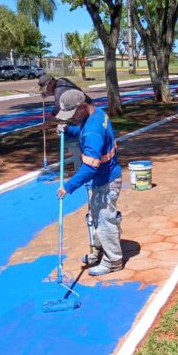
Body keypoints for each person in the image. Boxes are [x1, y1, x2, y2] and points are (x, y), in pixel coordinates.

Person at [55, 89, 124, 276]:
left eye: (73, 114)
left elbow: (90, 167)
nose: (72, 118)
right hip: (105, 177)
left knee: (104, 219)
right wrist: (69, 130)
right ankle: (101, 250)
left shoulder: (93, 132)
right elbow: (82, 131)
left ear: (83, 106)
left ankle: (113, 261)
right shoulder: (97, 113)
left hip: (106, 180)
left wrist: (68, 186)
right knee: (97, 216)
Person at [39, 74, 92, 172]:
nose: (47, 89)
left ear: (51, 82)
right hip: (83, 108)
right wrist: (47, 93)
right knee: (80, 134)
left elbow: (57, 108)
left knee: (84, 137)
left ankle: (84, 167)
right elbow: (57, 93)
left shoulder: (60, 88)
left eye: (47, 87)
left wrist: (47, 123)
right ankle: (81, 164)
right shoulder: (61, 81)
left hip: (84, 110)